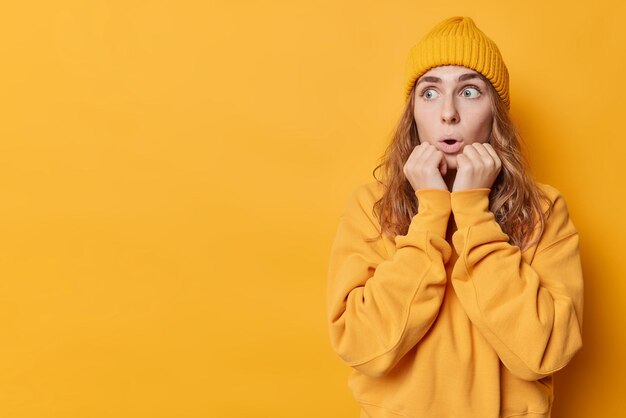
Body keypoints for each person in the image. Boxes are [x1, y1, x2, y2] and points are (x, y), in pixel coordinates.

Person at [325, 16, 584, 418]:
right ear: (412, 114)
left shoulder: (543, 211)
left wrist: (472, 210)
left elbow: (543, 353)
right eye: (430, 93)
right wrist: (430, 212)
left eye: (468, 91)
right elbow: (361, 348)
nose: (448, 113)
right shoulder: (369, 206)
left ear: (495, 113)